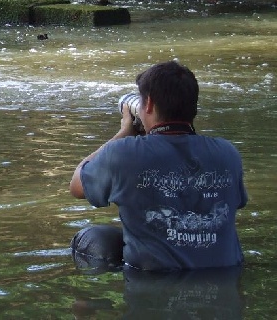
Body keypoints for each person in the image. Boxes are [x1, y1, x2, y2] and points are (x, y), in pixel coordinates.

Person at [69, 60, 248, 271]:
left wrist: (123, 133)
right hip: (225, 276)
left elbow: (77, 186)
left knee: (93, 238)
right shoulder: (227, 153)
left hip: (154, 280)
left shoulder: (123, 153)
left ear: (149, 104)